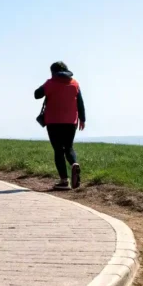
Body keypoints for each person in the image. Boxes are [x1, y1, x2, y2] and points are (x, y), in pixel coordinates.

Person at [34, 61, 86, 190]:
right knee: (68, 147)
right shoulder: (75, 84)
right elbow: (80, 102)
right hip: (71, 122)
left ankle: (64, 181)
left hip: (54, 121)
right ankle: (74, 163)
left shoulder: (50, 83)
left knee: (58, 150)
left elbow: (37, 94)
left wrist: (47, 83)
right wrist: (82, 119)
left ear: (53, 72)